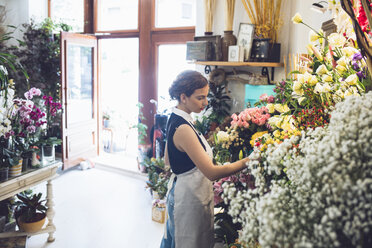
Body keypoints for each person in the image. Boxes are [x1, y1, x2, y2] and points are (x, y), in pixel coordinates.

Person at [160, 70, 249, 248]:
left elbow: (167, 160)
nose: (206, 102)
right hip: (187, 197)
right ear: (183, 97)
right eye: (200, 98)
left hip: (186, 191)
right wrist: (248, 161)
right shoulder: (183, 127)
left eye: (206, 96)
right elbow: (211, 173)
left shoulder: (177, 117)